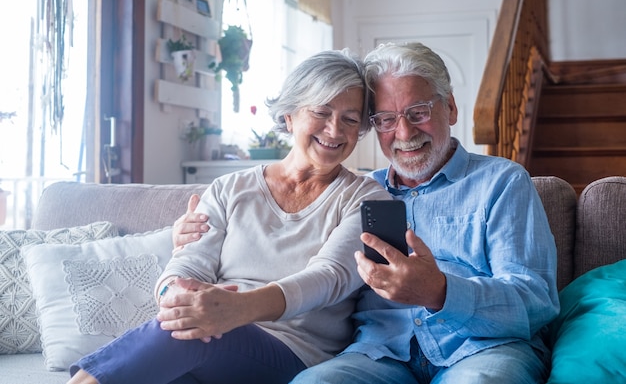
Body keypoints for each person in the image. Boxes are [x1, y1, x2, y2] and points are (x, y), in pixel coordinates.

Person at [174, 42, 560, 384]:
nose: (405, 133)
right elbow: (275, 249)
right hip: (379, 357)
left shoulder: (502, 182)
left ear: (451, 107)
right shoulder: (356, 194)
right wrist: (182, 236)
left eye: (418, 112)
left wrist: (441, 292)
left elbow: (537, 301)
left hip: (482, 349)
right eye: (386, 120)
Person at [67, 49, 393, 384]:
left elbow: (329, 277)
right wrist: (174, 295)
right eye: (322, 112)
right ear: (290, 115)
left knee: (188, 334)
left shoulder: (366, 199)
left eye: (351, 119)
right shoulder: (229, 189)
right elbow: (187, 265)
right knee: (179, 345)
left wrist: (239, 309)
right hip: (214, 339)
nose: (335, 130)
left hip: (294, 354)